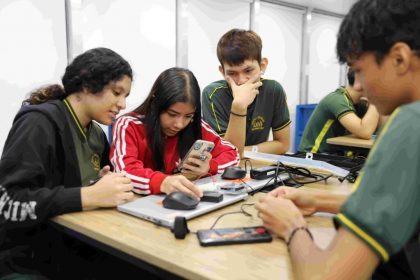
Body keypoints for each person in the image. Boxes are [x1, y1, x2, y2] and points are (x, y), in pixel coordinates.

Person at [256, 0, 420, 279]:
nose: (358, 85)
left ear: (399, 59)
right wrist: (318, 200)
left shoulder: (411, 124)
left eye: (359, 70)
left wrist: (292, 226)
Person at [0, 47, 134, 278]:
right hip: (28, 260)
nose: (122, 104)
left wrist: (99, 183)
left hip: (74, 247)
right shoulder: (38, 124)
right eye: (116, 92)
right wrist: (88, 196)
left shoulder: (96, 134)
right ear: (86, 86)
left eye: (125, 96)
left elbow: (77, 184)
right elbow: (8, 203)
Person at [110, 67, 239, 198]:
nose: (179, 124)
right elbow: (124, 172)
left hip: (182, 200)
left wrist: (210, 167)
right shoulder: (128, 125)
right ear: (156, 102)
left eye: (188, 116)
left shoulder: (196, 125)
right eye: (172, 114)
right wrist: (162, 182)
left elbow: (233, 154)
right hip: (136, 205)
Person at [202, 29, 290, 157]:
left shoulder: (273, 90)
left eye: (248, 70)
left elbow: (283, 144)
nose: (241, 80)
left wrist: (243, 151)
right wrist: (239, 105)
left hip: (257, 165)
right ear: (222, 71)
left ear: (263, 65)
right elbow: (227, 155)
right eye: (232, 73)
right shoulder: (213, 94)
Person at [299, 68, 380, 154]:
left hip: (334, 158)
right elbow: (365, 132)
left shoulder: (359, 103)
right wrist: (375, 99)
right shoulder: (337, 100)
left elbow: (380, 127)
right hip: (313, 157)